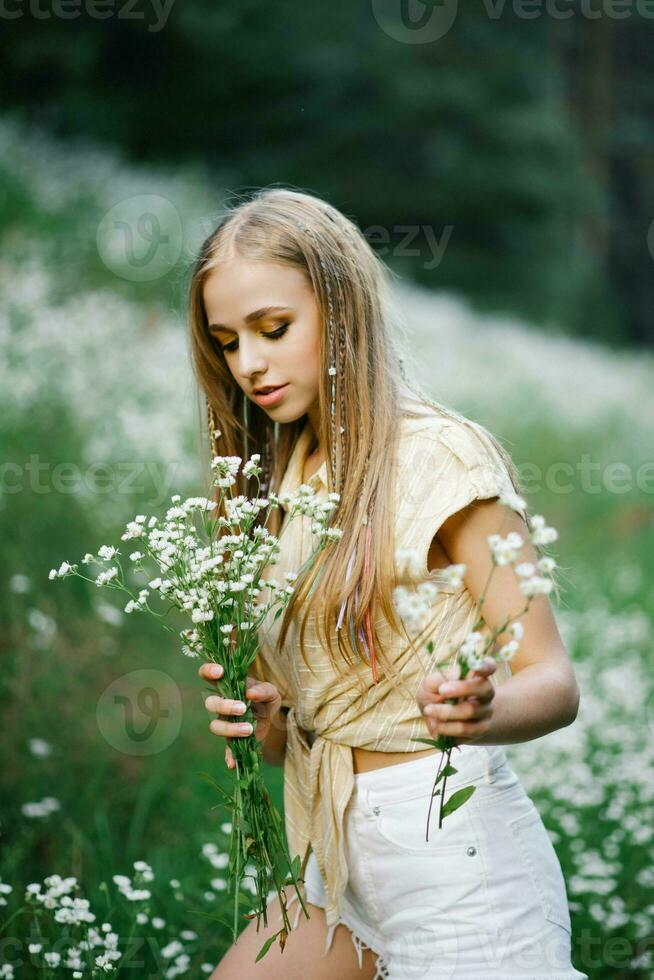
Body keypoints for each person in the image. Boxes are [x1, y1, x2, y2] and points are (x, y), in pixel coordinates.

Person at [188, 188, 588, 979]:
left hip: (457, 866)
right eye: (228, 343)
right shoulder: (270, 483)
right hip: (334, 861)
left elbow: (555, 681)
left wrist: (484, 709)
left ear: (342, 311)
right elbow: (286, 741)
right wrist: (264, 719)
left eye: (274, 330)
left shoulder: (441, 458)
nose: (251, 364)